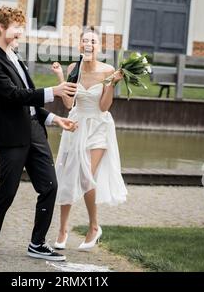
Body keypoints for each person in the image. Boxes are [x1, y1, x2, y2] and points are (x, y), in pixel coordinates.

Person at [0, 6, 78, 261]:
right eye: (16, 26)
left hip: (35, 132)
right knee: (8, 190)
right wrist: (53, 91)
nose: (21, 31)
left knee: (50, 186)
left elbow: (29, 103)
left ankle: (37, 243)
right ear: (2, 27)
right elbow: (12, 96)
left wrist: (55, 118)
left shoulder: (16, 57)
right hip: (11, 135)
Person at [51, 27, 127, 250]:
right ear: (80, 46)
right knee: (67, 175)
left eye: (92, 41)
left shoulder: (108, 70)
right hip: (75, 125)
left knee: (86, 176)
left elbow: (104, 107)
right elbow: (68, 104)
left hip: (99, 127)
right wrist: (60, 77)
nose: (88, 44)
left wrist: (112, 83)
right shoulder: (73, 67)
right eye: (85, 41)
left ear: (98, 47)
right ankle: (62, 230)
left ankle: (94, 227)